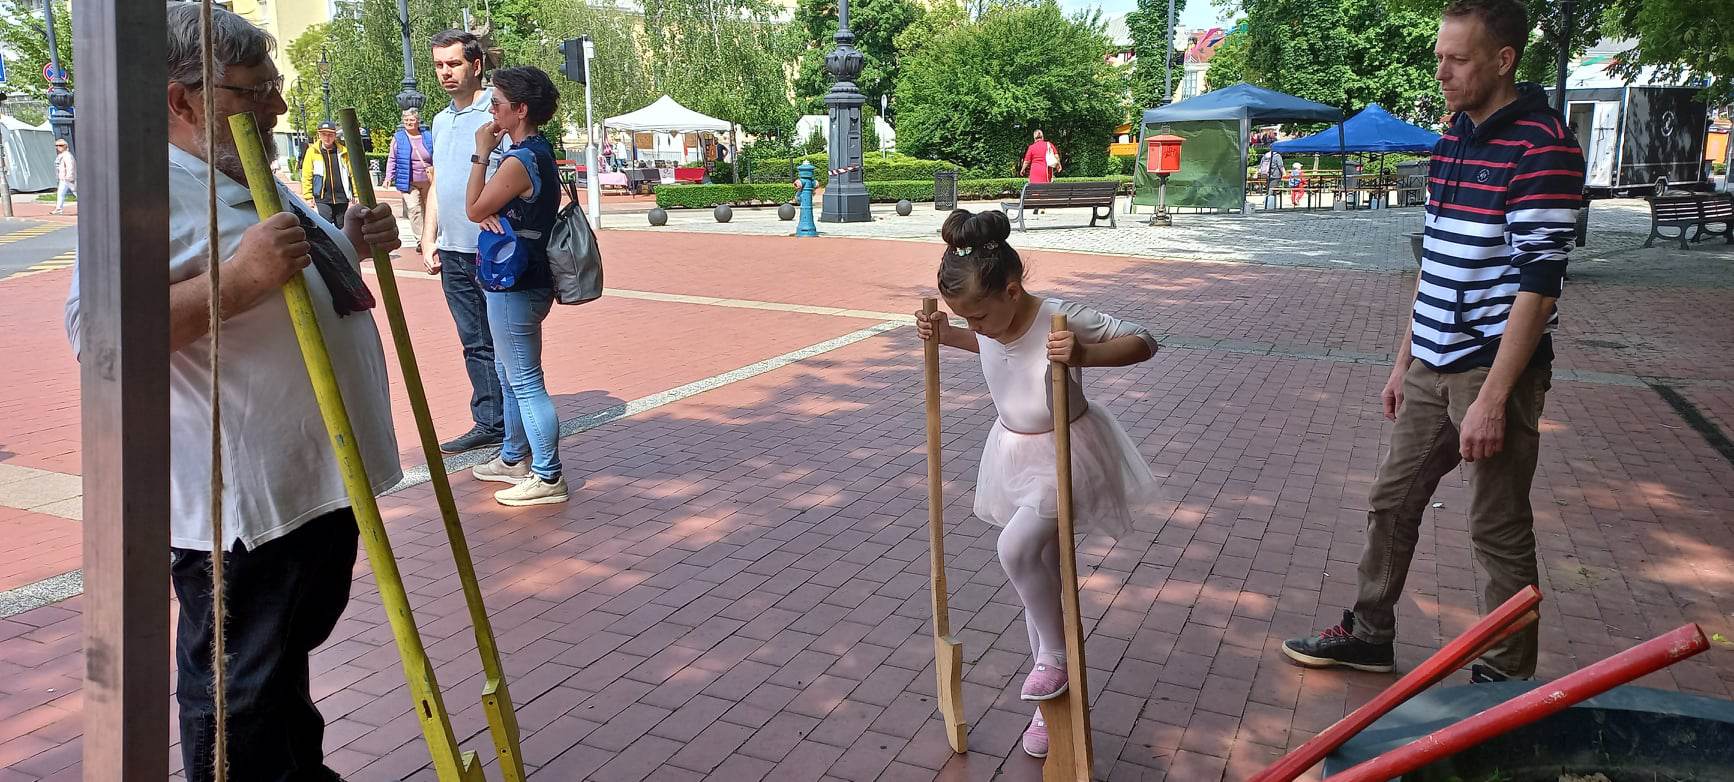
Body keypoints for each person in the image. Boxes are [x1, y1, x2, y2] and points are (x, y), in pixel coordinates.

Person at [64, 6, 402, 780]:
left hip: (312, 479)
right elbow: (100, 338)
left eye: (274, 86)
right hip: (243, 506)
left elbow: (291, 278)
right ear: (181, 99)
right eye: (253, 90)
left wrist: (348, 242)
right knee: (238, 685)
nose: (276, 106)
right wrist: (239, 279)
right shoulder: (145, 192)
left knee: (280, 662)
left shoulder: (240, 169)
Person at [1282, 0, 1584, 683]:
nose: (1442, 72)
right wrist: (1404, 361)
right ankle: (1370, 634)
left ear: (1503, 61)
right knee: (1391, 500)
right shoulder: (1452, 140)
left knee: (1496, 526)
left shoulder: (1543, 146)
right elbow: (1436, 263)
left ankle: (1504, 677)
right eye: (1439, 57)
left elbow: (1540, 286)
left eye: (1458, 59)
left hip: (1492, 370)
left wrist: (1493, 400)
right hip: (1430, 359)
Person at [915, 209, 1159, 759]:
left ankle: (1053, 658)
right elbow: (991, 345)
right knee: (1039, 577)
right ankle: (1049, 703)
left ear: (1012, 289)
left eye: (979, 315)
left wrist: (1084, 353)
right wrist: (946, 334)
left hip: (1067, 452)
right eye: (966, 318)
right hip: (1012, 452)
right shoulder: (988, 324)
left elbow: (1144, 341)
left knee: (1017, 549)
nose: (977, 326)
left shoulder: (1057, 317)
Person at [463, 66, 569, 506]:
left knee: (524, 379)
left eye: (498, 104)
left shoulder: (519, 160)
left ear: (520, 110)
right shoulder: (539, 151)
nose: (492, 111)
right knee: (510, 374)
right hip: (528, 277)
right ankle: (513, 457)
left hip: (516, 281)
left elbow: (473, 208)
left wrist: (481, 153)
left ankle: (547, 474)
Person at [422, 29, 508, 455]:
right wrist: (428, 237)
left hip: (492, 249)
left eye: (454, 63)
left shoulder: (497, 111)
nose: (445, 72)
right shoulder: (440, 120)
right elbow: (439, 183)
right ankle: (489, 421)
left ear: (475, 65)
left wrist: (493, 208)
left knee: (505, 341)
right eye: (439, 65)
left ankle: (517, 427)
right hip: (453, 249)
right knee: (473, 340)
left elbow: (515, 172)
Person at [383, 107, 435, 269]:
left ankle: (431, 237)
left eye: (411, 120)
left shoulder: (428, 136)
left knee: (430, 210)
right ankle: (421, 240)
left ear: (418, 121)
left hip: (429, 180)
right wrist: (388, 177)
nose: (409, 122)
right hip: (408, 182)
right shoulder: (398, 138)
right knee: (414, 209)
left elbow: (437, 155)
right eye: (406, 120)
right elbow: (392, 158)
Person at [299, 120, 354, 229]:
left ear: (335, 135)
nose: (327, 137)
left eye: (330, 135)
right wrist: (308, 196)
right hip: (322, 197)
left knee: (342, 226)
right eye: (323, 134)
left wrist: (356, 194)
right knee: (326, 226)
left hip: (342, 197)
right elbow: (307, 175)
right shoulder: (312, 151)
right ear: (319, 135)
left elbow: (352, 174)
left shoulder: (343, 152)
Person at [51, 139, 74, 215]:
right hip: (63, 178)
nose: (58, 147)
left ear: (65, 146)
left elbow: (70, 166)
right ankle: (58, 209)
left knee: (76, 192)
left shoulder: (67, 155)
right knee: (60, 193)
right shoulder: (60, 155)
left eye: (60, 145)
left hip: (68, 178)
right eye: (56, 145)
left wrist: (69, 176)